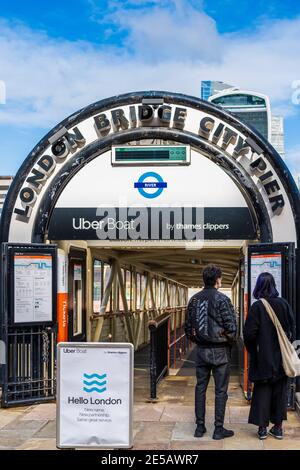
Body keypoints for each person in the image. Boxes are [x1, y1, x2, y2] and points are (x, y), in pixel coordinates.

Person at [185, 264, 237, 440]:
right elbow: (232, 328)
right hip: (220, 352)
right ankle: (218, 429)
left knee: (200, 388)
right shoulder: (223, 299)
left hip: (201, 352)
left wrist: (199, 341)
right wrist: (229, 343)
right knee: (220, 391)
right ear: (217, 280)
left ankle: (199, 428)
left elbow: (187, 329)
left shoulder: (194, 300)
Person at [243, 272, 295, 440]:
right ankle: (278, 428)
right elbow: (292, 329)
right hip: (281, 359)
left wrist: (254, 351)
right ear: (274, 286)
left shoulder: (257, 307)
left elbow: (249, 334)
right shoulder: (284, 304)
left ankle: (262, 429)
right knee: (279, 392)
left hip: (263, 358)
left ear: (258, 286)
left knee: (262, 392)